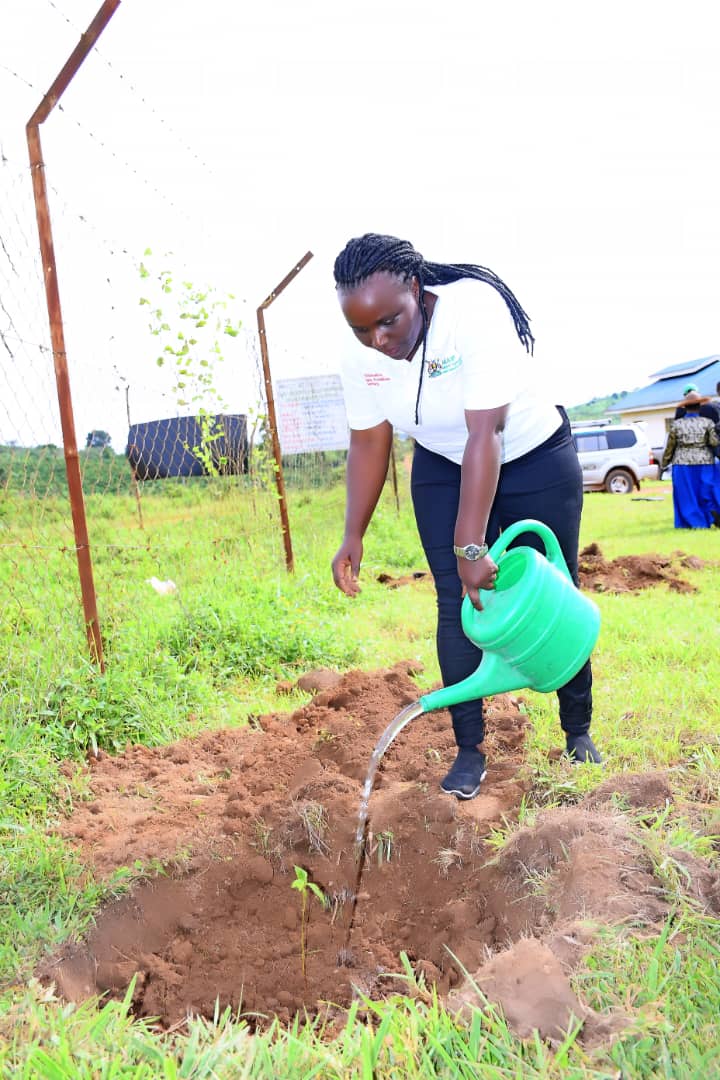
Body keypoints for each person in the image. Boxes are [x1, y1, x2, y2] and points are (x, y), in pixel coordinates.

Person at [330, 232, 601, 801]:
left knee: (557, 588)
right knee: (457, 603)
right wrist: (353, 532)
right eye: (361, 328)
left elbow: (489, 431)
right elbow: (369, 439)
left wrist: (472, 544)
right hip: (445, 460)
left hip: (530, 453)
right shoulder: (362, 352)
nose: (377, 340)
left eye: (389, 322)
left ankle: (577, 732)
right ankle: (469, 750)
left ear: (415, 287)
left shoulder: (473, 308)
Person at [661, 390, 720, 528]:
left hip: (682, 463)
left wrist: (664, 463)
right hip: (705, 461)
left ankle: (693, 522)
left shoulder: (677, 425)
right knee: (705, 491)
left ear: (685, 407)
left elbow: (670, 447)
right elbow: (714, 442)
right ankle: (710, 517)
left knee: (687, 494)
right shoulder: (708, 423)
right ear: (700, 406)